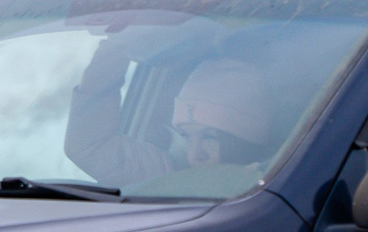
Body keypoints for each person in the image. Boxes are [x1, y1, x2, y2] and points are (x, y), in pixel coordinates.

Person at [67, 38, 276, 189]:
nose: (195, 153)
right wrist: (117, 45)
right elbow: (90, 147)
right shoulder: (171, 175)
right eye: (186, 136)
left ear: (244, 139)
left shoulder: (278, 186)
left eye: (209, 137)